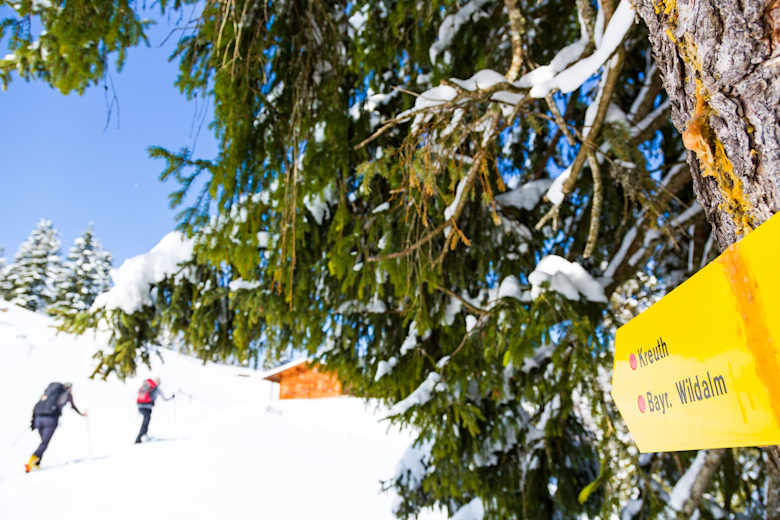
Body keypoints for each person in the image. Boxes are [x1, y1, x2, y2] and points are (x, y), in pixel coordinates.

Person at [26, 382, 87, 472]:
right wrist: (82, 414)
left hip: (38, 419)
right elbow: (73, 406)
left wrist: (33, 422)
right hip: (51, 420)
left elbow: (37, 406)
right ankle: (31, 462)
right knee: (44, 443)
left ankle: (36, 463)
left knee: (43, 443)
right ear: (69, 388)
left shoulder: (48, 394)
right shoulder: (66, 394)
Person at [135, 376, 174, 444]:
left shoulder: (146, 385)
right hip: (148, 406)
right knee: (146, 421)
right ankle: (140, 437)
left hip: (140, 405)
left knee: (146, 420)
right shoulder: (157, 389)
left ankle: (143, 435)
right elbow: (165, 399)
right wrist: (172, 397)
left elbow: (138, 392)